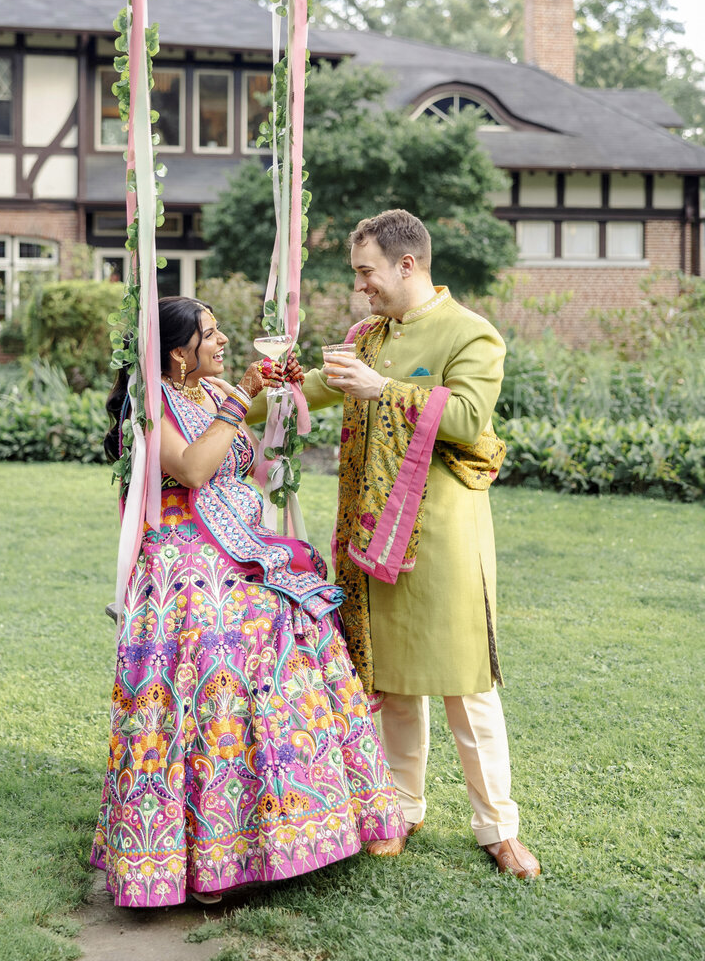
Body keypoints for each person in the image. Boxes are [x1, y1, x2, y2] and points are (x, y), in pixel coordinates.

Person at [91, 296, 405, 907]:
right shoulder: (150, 402)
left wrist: (276, 403)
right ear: (178, 352)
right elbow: (193, 470)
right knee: (233, 638)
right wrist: (240, 397)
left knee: (300, 616)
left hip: (237, 541)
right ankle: (213, 845)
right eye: (211, 334)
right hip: (183, 549)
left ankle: (299, 818)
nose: (224, 340)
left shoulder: (208, 395)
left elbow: (249, 470)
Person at [278, 209, 540, 878]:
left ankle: (498, 826)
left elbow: (468, 418)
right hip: (371, 533)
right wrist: (220, 397)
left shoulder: (471, 335)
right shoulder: (366, 336)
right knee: (393, 683)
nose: (361, 286)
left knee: (467, 686)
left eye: (367, 272)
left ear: (407, 264)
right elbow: (311, 390)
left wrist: (384, 390)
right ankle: (400, 807)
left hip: (443, 535)